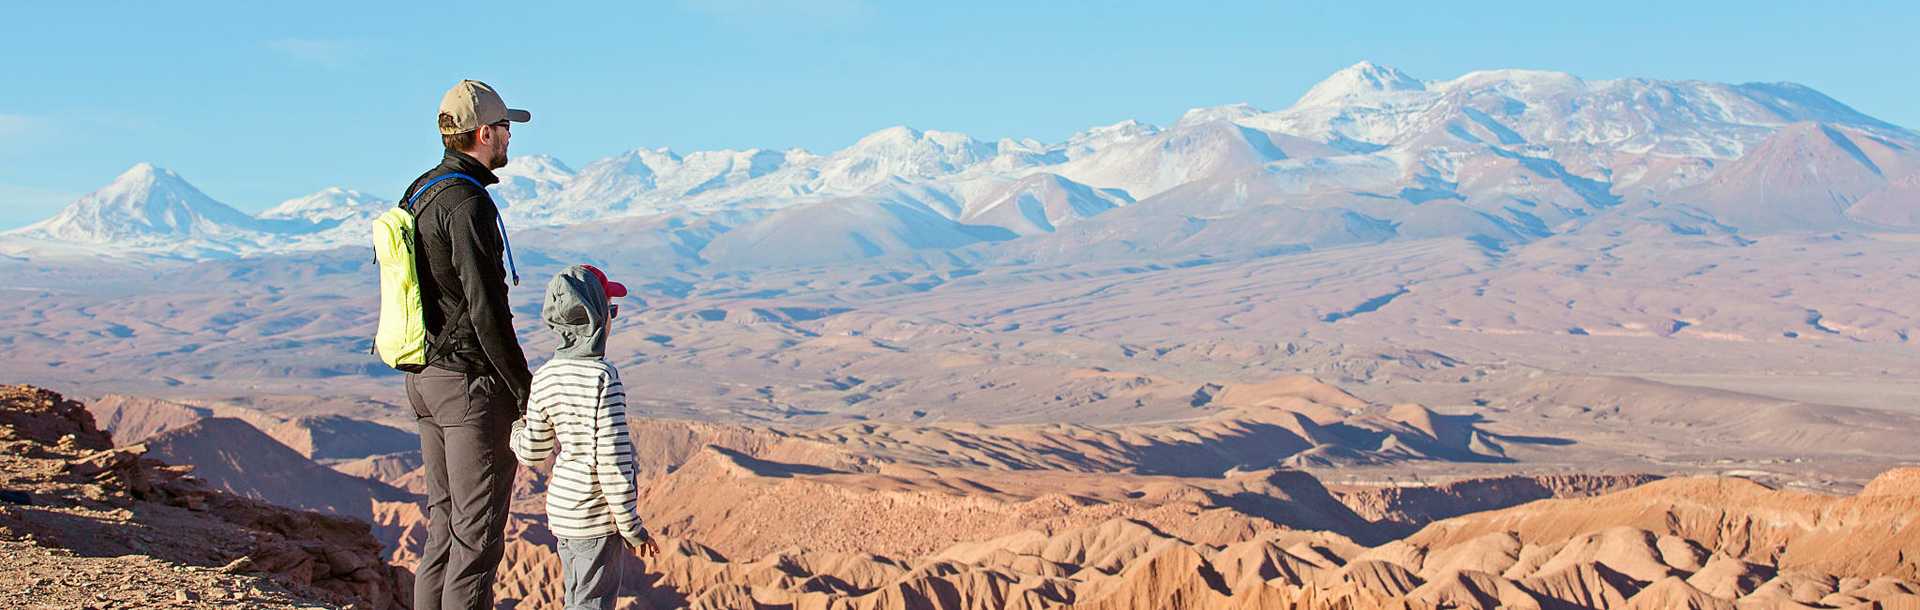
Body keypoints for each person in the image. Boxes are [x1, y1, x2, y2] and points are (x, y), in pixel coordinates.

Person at [401, 79, 533, 610]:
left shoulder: (418, 192)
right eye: (504, 128)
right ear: (484, 133)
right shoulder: (467, 204)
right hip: (468, 389)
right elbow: (487, 309)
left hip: (424, 379)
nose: (508, 138)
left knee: (444, 528)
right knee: (476, 541)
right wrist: (523, 390)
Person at [511, 264, 658, 610]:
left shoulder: (545, 376)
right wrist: (631, 526)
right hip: (595, 518)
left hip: (562, 513)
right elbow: (614, 462)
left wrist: (517, 429)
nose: (612, 319)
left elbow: (532, 452)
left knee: (576, 598)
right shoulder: (603, 379)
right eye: (611, 311)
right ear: (595, 319)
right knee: (592, 604)